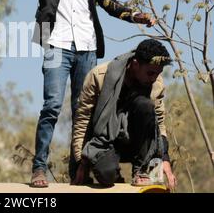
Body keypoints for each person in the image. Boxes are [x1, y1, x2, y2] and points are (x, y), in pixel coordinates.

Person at [15, 0, 156, 187]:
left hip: (87, 47)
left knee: (84, 110)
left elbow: (107, 2)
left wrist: (134, 16)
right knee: (52, 106)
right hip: (55, 43)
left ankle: (77, 168)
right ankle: (39, 168)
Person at [71, 39, 177, 190]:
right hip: (104, 141)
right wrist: (81, 162)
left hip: (137, 143)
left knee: (145, 105)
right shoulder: (99, 76)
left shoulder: (156, 84)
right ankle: (114, 174)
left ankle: (141, 170)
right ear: (135, 64)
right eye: (150, 73)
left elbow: (158, 123)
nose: (153, 78)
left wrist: (164, 158)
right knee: (106, 175)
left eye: (158, 73)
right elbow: (82, 120)